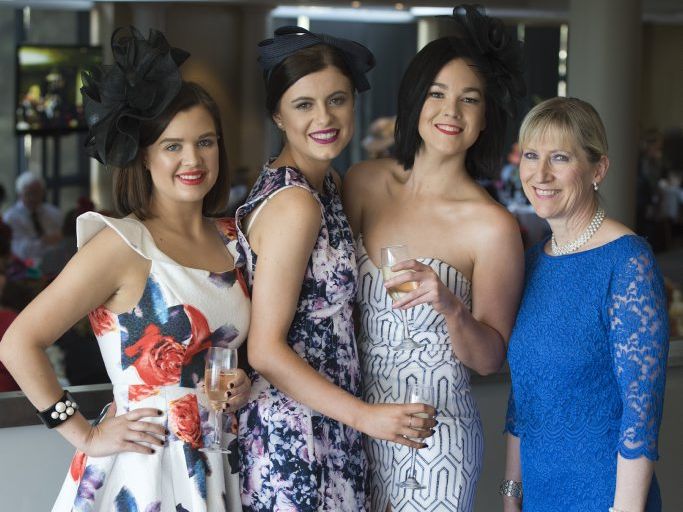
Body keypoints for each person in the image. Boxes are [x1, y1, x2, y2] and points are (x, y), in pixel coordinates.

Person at [0, 27, 251, 511]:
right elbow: (17, 342)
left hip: (222, 459)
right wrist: (85, 435)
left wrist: (241, 383)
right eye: (172, 146)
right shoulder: (122, 245)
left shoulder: (232, 237)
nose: (193, 159)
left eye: (205, 141)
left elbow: (232, 351)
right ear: (145, 155)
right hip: (146, 466)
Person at [236, 26, 437, 511]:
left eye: (337, 100)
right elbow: (264, 350)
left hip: (328, 421)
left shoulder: (326, 186)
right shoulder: (295, 204)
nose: (324, 118)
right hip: (297, 437)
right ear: (277, 115)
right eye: (303, 104)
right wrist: (367, 418)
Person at [343, 5, 526, 511]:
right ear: (414, 100)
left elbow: (490, 359)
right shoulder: (363, 181)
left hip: (432, 440)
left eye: (470, 100)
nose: (452, 112)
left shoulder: (491, 226)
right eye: (437, 94)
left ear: (485, 117)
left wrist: (451, 307)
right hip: (350, 425)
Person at [502, 97, 669, 512]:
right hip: (539, 497)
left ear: (598, 169)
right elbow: (523, 396)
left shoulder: (628, 261)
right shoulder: (533, 261)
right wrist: (511, 498)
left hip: (605, 499)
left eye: (559, 158)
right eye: (531, 156)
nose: (540, 174)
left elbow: (641, 415)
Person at [3, 170, 63, 263]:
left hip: (56, 265)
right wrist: (44, 241)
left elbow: (61, 242)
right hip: (24, 270)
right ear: (20, 193)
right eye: (29, 193)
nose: (33, 197)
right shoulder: (10, 218)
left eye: (36, 193)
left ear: (43, 193)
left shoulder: (54, 213)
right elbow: (19, 251)